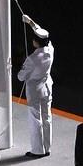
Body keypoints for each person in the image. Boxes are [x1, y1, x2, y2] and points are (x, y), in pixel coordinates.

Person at [17, 14, 54, 157]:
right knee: (47, 117)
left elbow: (21, 77)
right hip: (47, 87)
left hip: (35, 90)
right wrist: (30, 22)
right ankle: (47, 147)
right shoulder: (50, 49)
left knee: (35, 120)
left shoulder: (32, 58)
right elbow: (42, 32)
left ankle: (38, 150)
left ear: (36, 42)